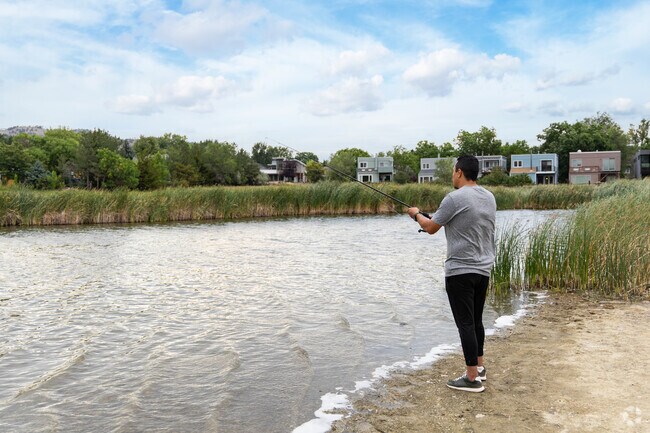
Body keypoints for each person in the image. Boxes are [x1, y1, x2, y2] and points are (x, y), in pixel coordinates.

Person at [408, 155, 496, 393]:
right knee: (476, 319)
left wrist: (416, 214)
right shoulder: (489, 197)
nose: (452, 175)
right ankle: (479, 367)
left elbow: (431, 228)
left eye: (452, 171)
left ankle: (471, 378)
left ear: (459, 172)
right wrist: (431, 217)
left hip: (460, 270)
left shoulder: (454, 198)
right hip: (483, 269)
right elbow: (461, 222)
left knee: (465, 323)